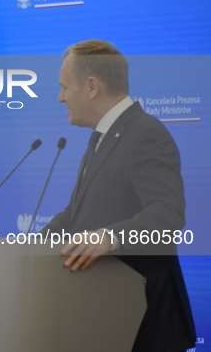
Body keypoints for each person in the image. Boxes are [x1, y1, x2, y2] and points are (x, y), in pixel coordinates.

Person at [42, 40, 196, 351]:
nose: (60, 97)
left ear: (92, 86)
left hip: (145, 323)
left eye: (64, 87)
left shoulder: (145, 133)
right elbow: (75, 214)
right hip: (107, 318)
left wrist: (109, 236)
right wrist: (23, 248)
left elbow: (168, 214)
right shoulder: (99, 139)